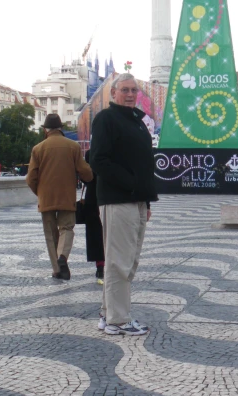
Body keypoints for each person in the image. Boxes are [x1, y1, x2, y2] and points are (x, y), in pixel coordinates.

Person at [89, 72, 158, 336]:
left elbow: (142, 163)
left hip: (136, 199)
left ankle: (109, 315)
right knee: (119, 261)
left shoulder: (137, 121)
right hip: (118, 199)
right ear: (113, 93)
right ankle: (119, 319)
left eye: (134, 90)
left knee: (128, 260)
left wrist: (146, 199)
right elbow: (98, 160)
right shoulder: (106, 118)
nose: (130, 95)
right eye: (125, 90)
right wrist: (130, 184)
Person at [26, 113, 93, 280]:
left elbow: (31, 178)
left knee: (50, 233)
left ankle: (57, 270)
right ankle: (63, 257)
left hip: (46, 198)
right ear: (61, 128)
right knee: (67, 228)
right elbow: (85, 172)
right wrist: (90, 178)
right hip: (66, 196)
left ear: (45, 130)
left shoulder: (38, 148)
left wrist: (40, 192)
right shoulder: (73, 146)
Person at [82, 150, 105, 285]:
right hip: (109, 196)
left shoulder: (90, 153)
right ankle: (111, 265)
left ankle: (100, 266)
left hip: (92, 197)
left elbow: (85, 176)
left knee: (95, 234)